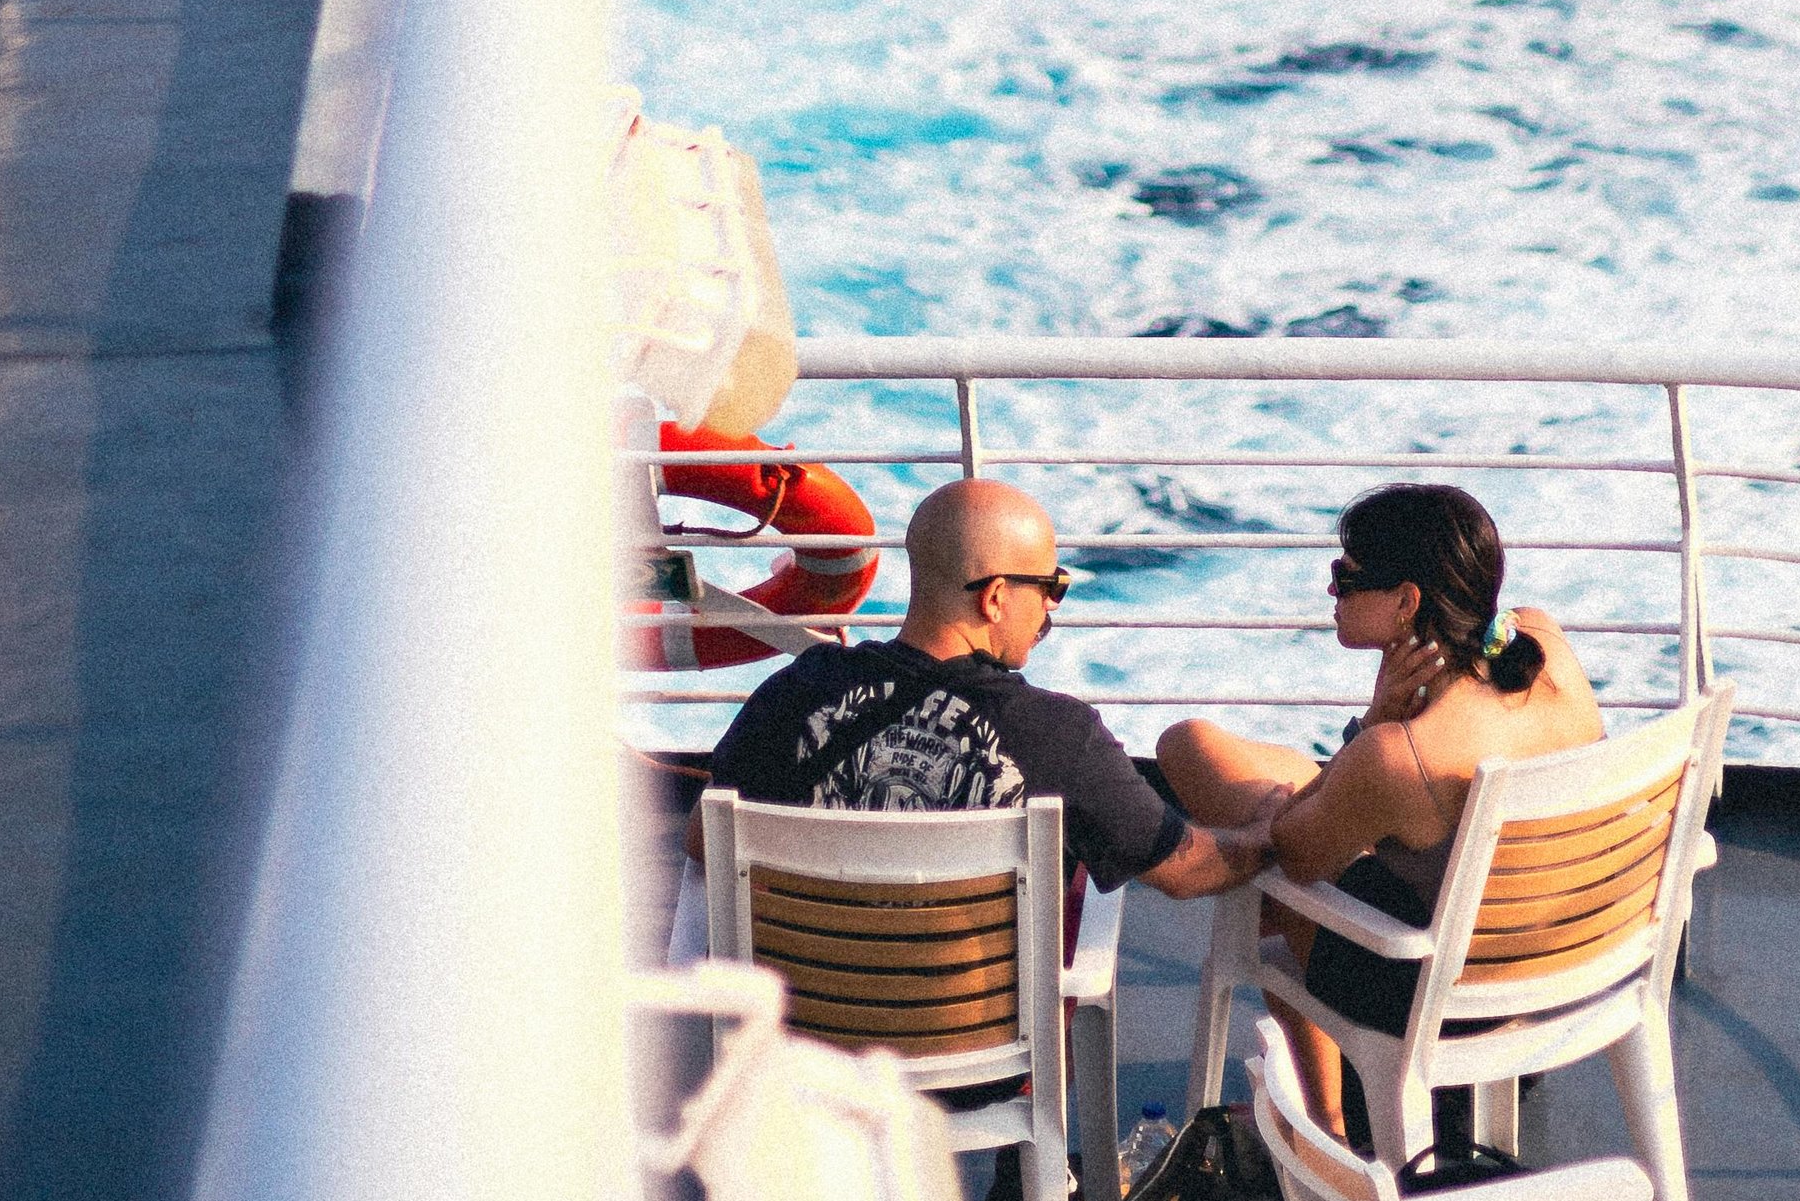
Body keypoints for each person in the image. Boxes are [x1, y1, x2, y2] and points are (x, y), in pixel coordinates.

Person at [1157, 480, 1603, 1141]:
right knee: (1260, 780)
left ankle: (1330, 1123)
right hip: (1551, 962)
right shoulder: (1543, 644)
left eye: (1346, 576)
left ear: (1406, 602)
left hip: (1435, 996)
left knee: (1231, 820)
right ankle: (1333, 1113)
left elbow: (1291, 854)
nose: (1332, 593)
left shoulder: (1401, 755)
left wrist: (1369, 725)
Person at [685, 474, 1271, 909]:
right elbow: (1189, 870)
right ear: (994, 597)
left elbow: (701, 842)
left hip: (806, 1046)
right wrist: (1269, 832)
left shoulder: (794, 692)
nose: (1050, 604)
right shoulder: (1063, 739)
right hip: (978, 1062)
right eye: (1049, 585)